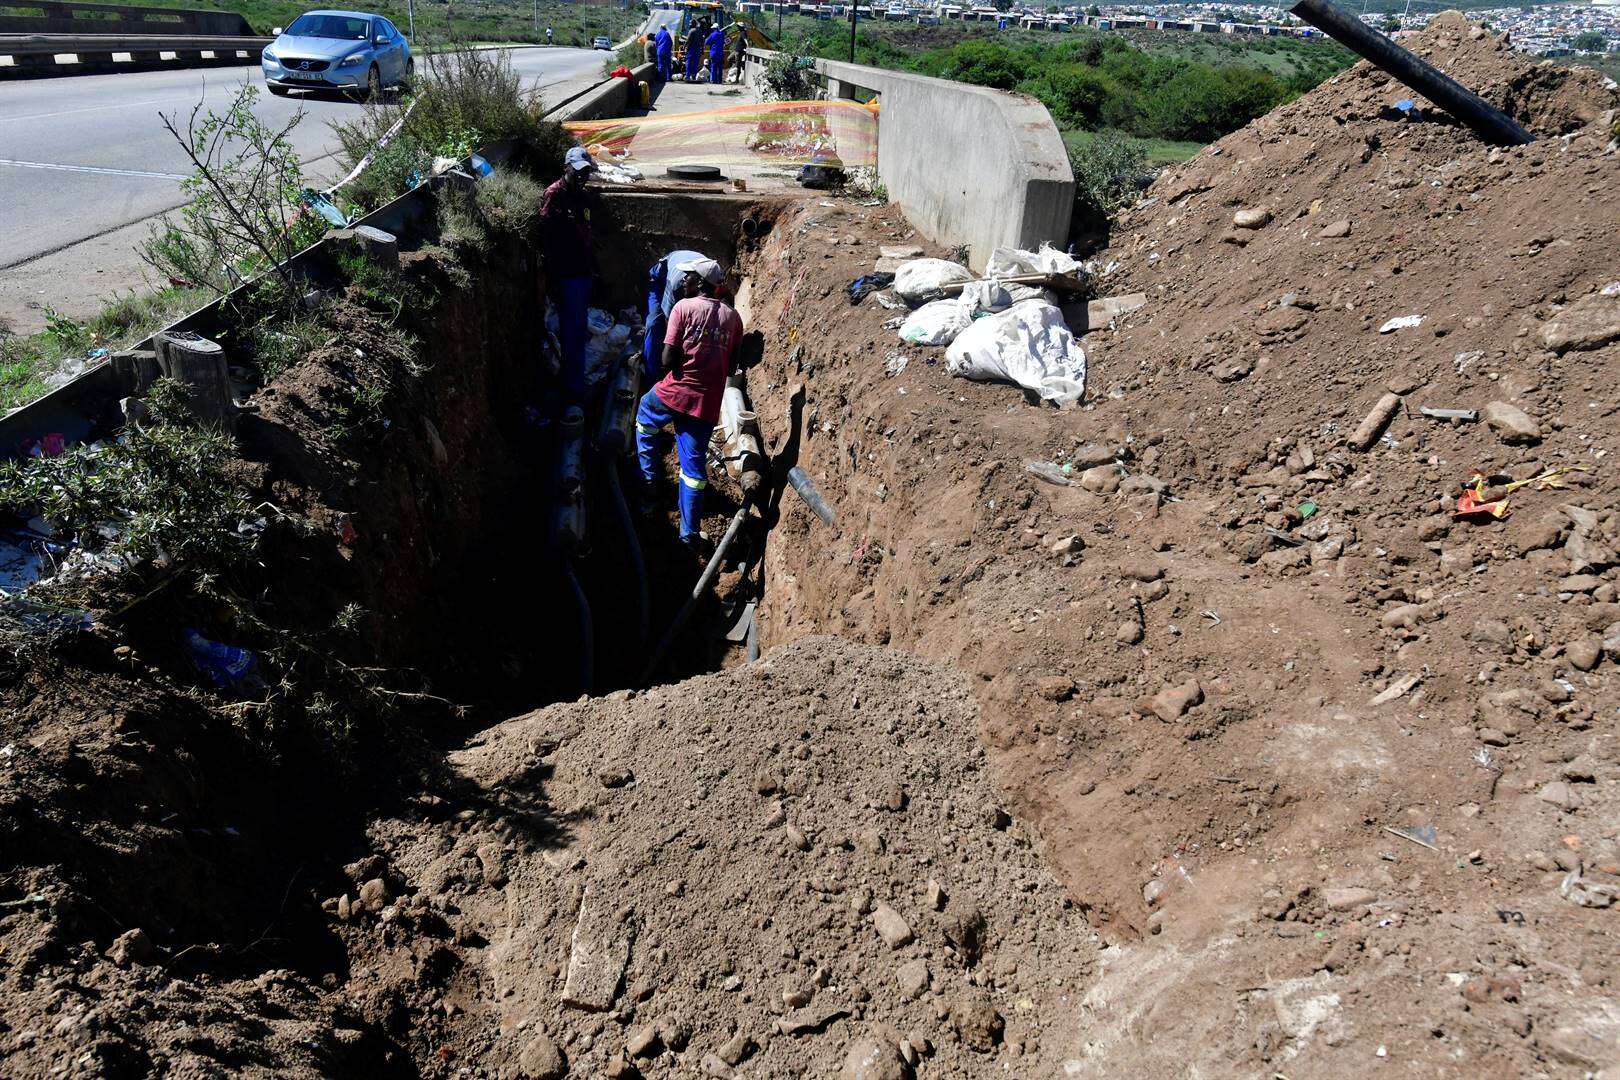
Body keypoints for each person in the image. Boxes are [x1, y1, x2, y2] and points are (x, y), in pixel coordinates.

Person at [635, 258, 743, 553]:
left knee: (644, 416)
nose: (684, 282)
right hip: (706, 403)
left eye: (689, 278)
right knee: (693, 472)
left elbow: (666, 360)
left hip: (675, 392)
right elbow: (731, 368)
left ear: (701, 283)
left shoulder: (683, 308)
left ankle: (648, 487)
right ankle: (689, 534)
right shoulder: (734, 319)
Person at [538, 147, 600, 404]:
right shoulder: (554, 196)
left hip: (582, 273)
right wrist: (550, 279)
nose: (582, 177)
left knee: (577, 330)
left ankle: (573, 383)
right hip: (566, 276)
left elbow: (587, 235)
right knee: (571, 332)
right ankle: (571, 390)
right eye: (578, 172)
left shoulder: (584, 197)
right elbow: (544, 238)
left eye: (586, 173)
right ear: (566, 168)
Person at [642, 249, 709, 384]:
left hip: (688, 278)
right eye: (685, 276)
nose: (685, 279)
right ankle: (651, 377)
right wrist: (670, 358)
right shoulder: (677, 284)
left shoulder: (712, 284)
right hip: (659, 281)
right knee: (654, 324)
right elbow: (670, 323)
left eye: (687, 277)